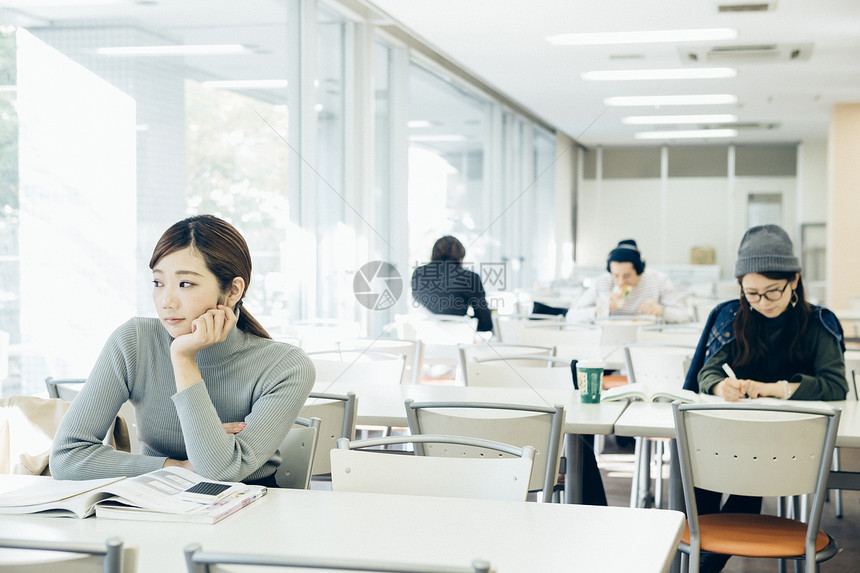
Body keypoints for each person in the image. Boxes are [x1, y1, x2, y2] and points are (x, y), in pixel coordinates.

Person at [51, 215, 315, 487]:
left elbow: (218, 471)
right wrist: (175, 466)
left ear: (234, 290)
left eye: (185, 284)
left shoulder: (286, 366)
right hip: (153, 500)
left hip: (249, 510)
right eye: (158, 283)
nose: (166, 301)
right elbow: (65, 458)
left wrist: (183, 357)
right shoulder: (134, 341)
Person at [683, 224, 847, 573]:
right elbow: (706, 373)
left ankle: (692, 565)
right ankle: (695, 562)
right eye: (751, 293)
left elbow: (835, 384)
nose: (762, 303)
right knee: (701, 495)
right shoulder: (733, 316)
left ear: (795, 281)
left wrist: (775, 389)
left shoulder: (818, 323)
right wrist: (718, 388)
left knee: (742, 484)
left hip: (789, 447)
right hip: (729, 436)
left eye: (772, 292)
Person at [571, 239, 691, 323]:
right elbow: (571, 316)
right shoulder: (603, 281)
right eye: (616, 275)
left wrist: (661, 311)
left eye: (627, 276)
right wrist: (600, 309)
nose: (621, 282)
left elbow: (684, 316)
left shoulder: (659, 280)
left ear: (639, 270)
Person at [411, 236, 493, 333]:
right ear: (460, 258)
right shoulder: (470, 278)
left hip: (423, 340)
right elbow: (485, 324)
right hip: (459, 342)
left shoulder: (418, 274)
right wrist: (467, 319)